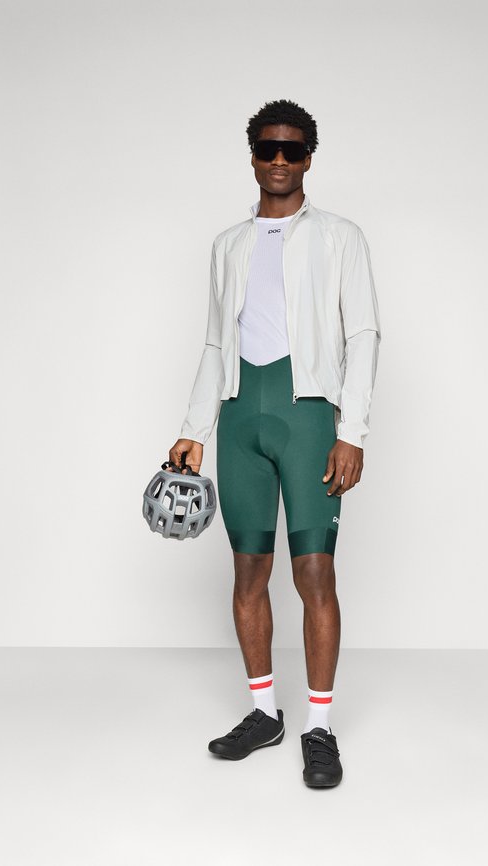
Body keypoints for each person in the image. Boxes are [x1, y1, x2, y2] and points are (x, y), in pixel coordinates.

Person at [168, 99, 381, 788]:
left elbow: (363, 335)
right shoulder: (227, 245)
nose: (280, 160)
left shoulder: (340, 237)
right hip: (240, 422)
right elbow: (214, 342)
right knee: (248, 575)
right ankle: (264, 714)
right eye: (268, 148)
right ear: (253, 156)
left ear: (309, 157)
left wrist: (351, 431)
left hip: (310, 419)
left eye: (292, 149)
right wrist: (193, 429)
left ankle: (319, 726)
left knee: (314, 574)